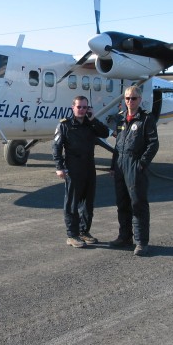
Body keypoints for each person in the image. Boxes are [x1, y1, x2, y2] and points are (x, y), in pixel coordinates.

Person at [52, 95, 110, 248]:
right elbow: (56, 147)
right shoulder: (64, 125)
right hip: (73, 167)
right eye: (79, 107)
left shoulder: (90, 124)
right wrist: (59, 167)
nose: (82, 110)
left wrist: (93, 119)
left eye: (85, 107)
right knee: (72, 202)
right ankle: (72, 234)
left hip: (89, 166)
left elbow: (105, 133)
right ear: (73, 107)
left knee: (88, 203)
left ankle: (84, 231)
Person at [109, 86, 159, 257]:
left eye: (134, 98)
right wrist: (112, 166)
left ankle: (141, 242)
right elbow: (118, 146)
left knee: (138, 204)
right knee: (122, 204)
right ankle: (124, 237)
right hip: (120, 165)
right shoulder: (121, 120)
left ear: (140, 99)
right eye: (128, 98)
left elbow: (153, 144)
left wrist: (142, 164)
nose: (130, 101)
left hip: (134, 164)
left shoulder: (145, 119)